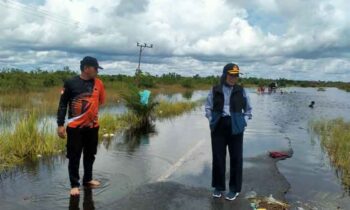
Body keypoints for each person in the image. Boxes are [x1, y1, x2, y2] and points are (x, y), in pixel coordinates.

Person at [57, 56, 106, 196]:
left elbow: (100, 101)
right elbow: (62, 105)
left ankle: (88, 179)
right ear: (86, 68)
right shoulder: (70, 83)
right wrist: (60, 125)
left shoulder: (99, 84)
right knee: (74, 156)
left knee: (90, 155)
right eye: (95, 68)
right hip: (74, 129)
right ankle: (74, 184)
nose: (97, 71)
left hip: (92, 127)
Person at [205, 63, 252, 201]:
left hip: (236, 127)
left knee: (236, 158)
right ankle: (218, 187)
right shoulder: (215, 90)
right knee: (218, 157)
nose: (234, 77)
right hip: (218, 126)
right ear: (225, 74)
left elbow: (248, 110)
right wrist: (211, 119)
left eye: (236, 75)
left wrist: (243, 121)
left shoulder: (241, 90)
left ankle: (234, 189)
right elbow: (208, 107)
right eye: (231, 75)